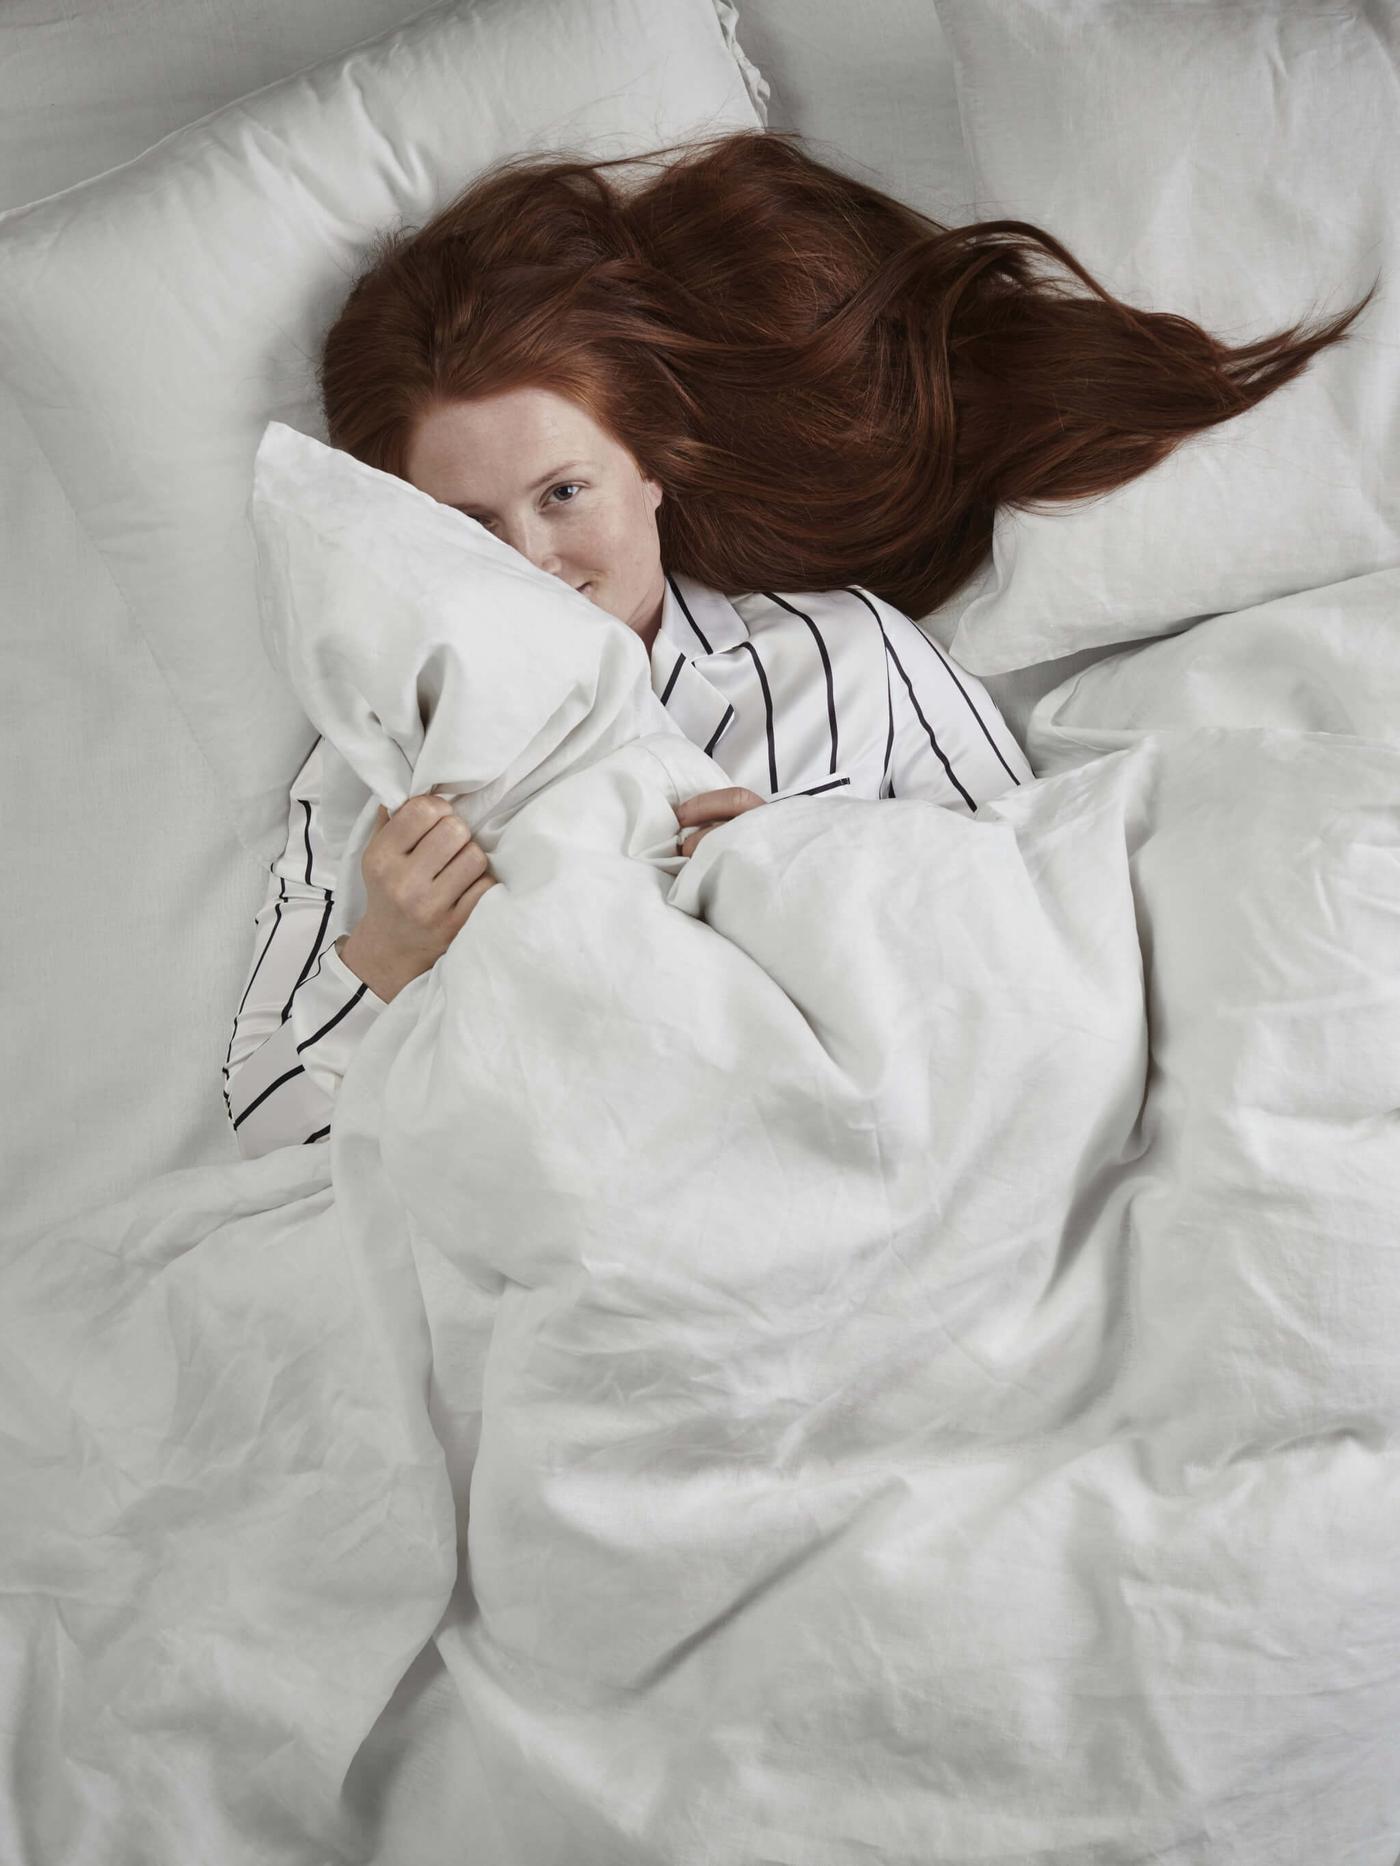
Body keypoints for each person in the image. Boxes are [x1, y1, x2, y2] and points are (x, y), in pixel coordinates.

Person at [223, 129, 1374, 1160]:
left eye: (564, 492)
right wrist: (389, 952)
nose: (534, 564)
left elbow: (1048, 927)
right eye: (467, 530)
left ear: (652, 473)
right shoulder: (369, 787)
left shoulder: (841, 661)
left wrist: (828, 869)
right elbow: (264, 1119)